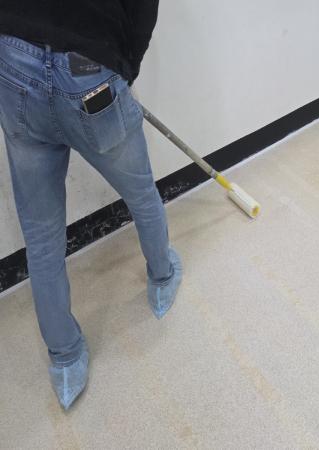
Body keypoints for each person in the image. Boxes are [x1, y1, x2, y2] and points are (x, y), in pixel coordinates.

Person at [0, 1, 183, 410]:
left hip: (13, 56)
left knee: (41, 238)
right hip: (88, 70)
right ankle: (162, 277)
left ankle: (65, 361)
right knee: (140, 193)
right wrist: (121, 72)